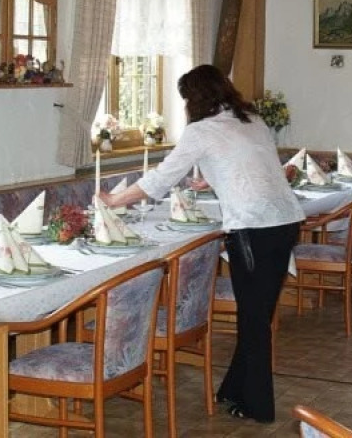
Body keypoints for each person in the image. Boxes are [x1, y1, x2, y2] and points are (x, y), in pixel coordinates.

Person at [99, 64, 305, 423]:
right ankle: (234, 389)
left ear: (195, 98)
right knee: (258, 314)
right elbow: (259, 167)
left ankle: (259, 407)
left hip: (253, 228)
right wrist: (214, 179)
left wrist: (116, 200)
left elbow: (162, 179)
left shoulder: (201, 131)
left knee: (253, 319)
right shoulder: (252, 120)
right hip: (286, 222)